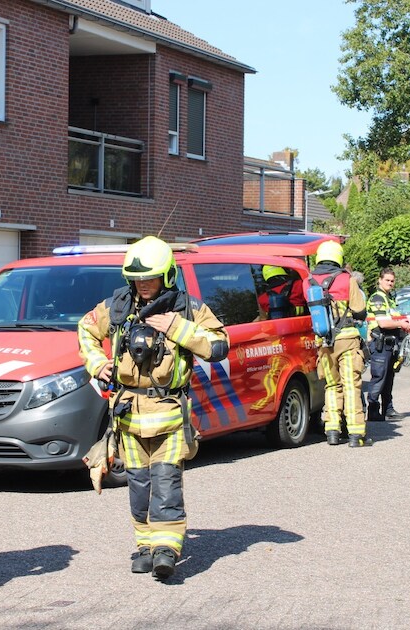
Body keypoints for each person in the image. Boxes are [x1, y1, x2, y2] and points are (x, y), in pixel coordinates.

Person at [77, 236, 229, 580]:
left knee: (166, 481)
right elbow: (85, 330)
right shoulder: (117, 307)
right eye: (137, 278)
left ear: (167, 275)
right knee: (139, 483)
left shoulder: (189, 308)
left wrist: (178, 328)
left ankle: (167, 549)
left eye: (150, 277)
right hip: (128, 412)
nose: (143, 284)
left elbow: (220, 345)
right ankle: (145, 547)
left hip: (170, 410)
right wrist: (96, 363)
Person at [305, 241, 370, 447]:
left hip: (323, 342)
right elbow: (359, 309)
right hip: (347, 339)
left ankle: (332, 431)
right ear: (338, 257)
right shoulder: (346, 279)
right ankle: (355, 434)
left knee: (331, 386)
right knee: (351, 386)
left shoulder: (309, 281)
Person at [364, 267, 410, 422]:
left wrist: (405, 323)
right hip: (380, 343)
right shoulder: (378, 298)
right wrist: (401, 323)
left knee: (388, 378)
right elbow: (383, 322)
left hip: (390, 344)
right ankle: (373, 410)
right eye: (387, 280)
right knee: (379, 377)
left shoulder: (389, 298)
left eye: (392, 281)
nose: (390, 283)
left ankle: (388, 409)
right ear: (379, 280)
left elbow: (394, 318)